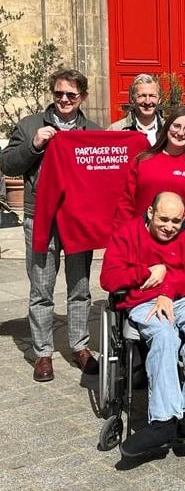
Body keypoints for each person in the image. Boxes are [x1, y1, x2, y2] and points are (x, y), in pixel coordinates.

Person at [100, 192, 185, 457]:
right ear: (150, 212)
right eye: (163, 219)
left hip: (183, 297)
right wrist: (147, 272)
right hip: (144, 301)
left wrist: (167, 287)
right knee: (165, 335)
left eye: (176, 221)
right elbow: (109, 279)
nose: (169, 227)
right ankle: (163, 421)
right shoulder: (127, 233)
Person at [0, 68, 101, 382]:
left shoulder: (93, 130)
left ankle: (80, 346)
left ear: (82, 97)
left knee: (80, 287)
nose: (64, 99)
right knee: (41, 288)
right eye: (59, 93)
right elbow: (7, 163)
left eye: (71, 94)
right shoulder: (30, 125)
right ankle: (42, 353)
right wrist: (34, 144)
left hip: (78, 218)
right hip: (39, 216)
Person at [112, 106, 185, 230]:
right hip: (142, 236)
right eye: (176, 126)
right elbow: (126, 203)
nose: (180, 133)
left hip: (182, 237)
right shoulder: (142, 160)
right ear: (167, 127)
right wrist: (122, 233)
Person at [108, 73, 163, 146]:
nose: (147, 101)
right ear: (132, 99)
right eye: (142, 96)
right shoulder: (116, 130)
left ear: (159, 99)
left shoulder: (169, 129)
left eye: (152, 96)